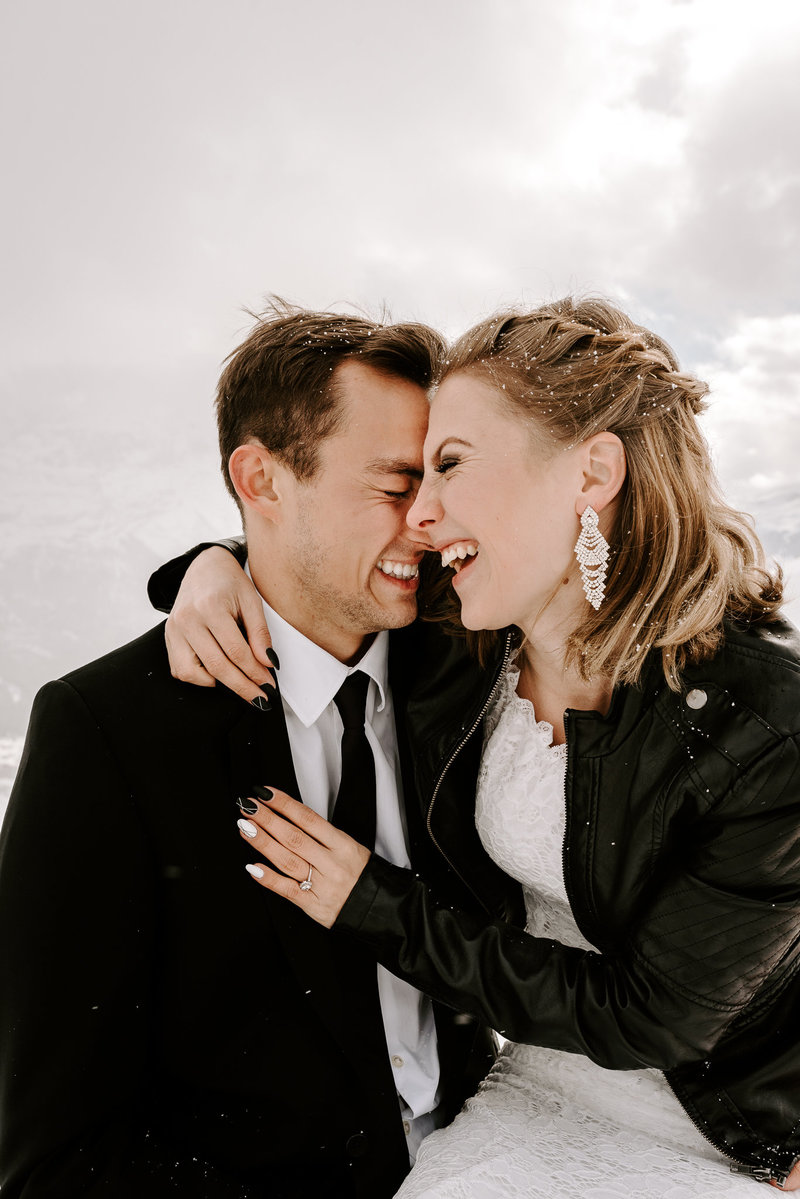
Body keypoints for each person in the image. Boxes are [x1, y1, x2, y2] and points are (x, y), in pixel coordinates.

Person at [156, 298, 800, 1195]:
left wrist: (373, 905)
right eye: (414, 477)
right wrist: (209, 565)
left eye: (450, 466)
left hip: (728, 1130)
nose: (420, 514)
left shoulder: (766, 722)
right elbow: (309, 552)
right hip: (528, 1087)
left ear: (593, 472)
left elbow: (654, 1016)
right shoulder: (462, 636)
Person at [0, 303, 511, 1199]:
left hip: (505, 1154)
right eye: (395, 484)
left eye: (438, 482)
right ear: (261, 478)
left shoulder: (468, 660)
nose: (428, 522)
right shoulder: (106, 731)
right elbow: (56, 1153)